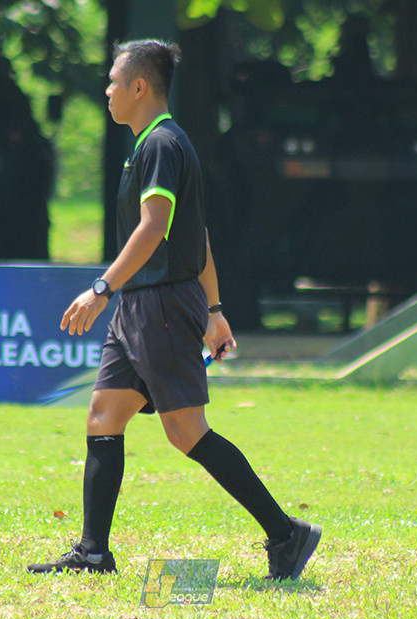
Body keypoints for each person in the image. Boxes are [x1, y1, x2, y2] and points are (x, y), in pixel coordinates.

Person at [27, 39, 321, 580]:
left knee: (186, 431)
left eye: (114, 82)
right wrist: (214, 309)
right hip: (143, 305)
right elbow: (197, 235)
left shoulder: (162, 144)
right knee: (104, 416)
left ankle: (286, 534)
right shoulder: (151, 144)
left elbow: (156, 228)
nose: (108, 91)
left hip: (158, 303)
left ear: (139, 87)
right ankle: (93, 552)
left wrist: (102, 288)